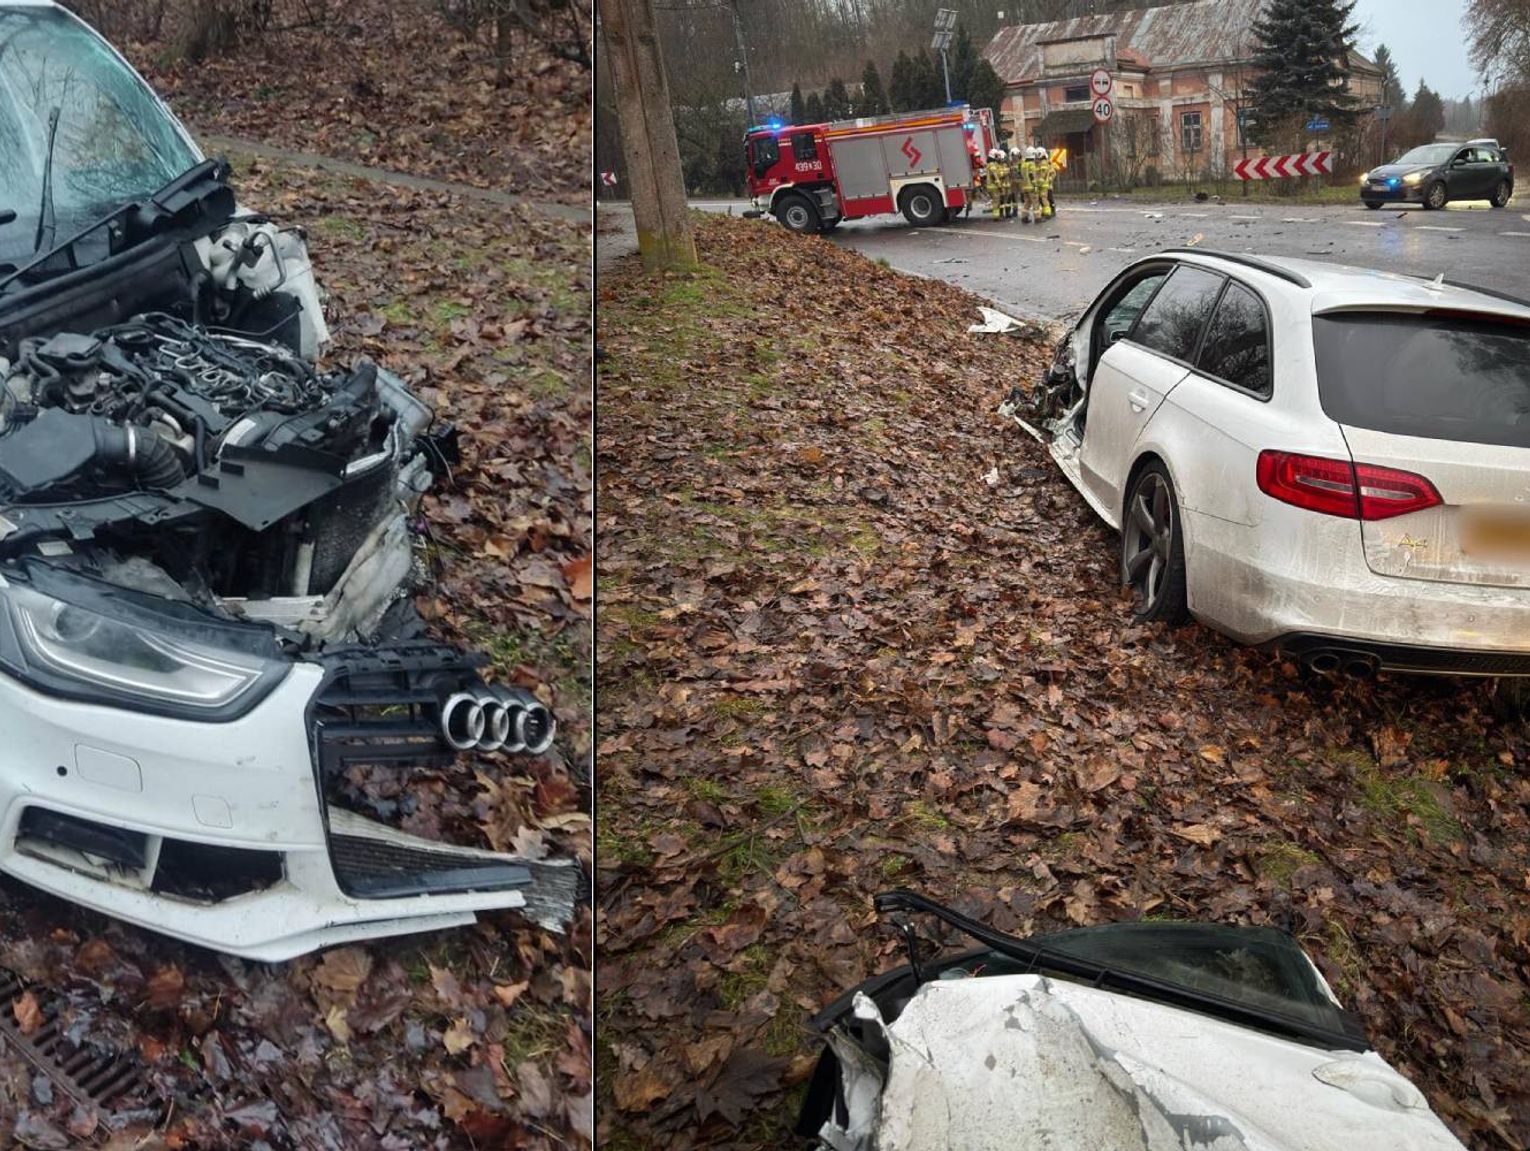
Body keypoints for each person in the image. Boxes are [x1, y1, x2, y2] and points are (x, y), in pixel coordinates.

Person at [984, 148, 1008, 219]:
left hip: (991, 186)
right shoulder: (992, 165)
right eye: (997, 155)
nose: (998, 157)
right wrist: (999, 186)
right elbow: (994, 176)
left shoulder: (990, 164)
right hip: (993, 186)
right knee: (996, 202)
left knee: (996, 201)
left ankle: (997, 215)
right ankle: (996, 216)